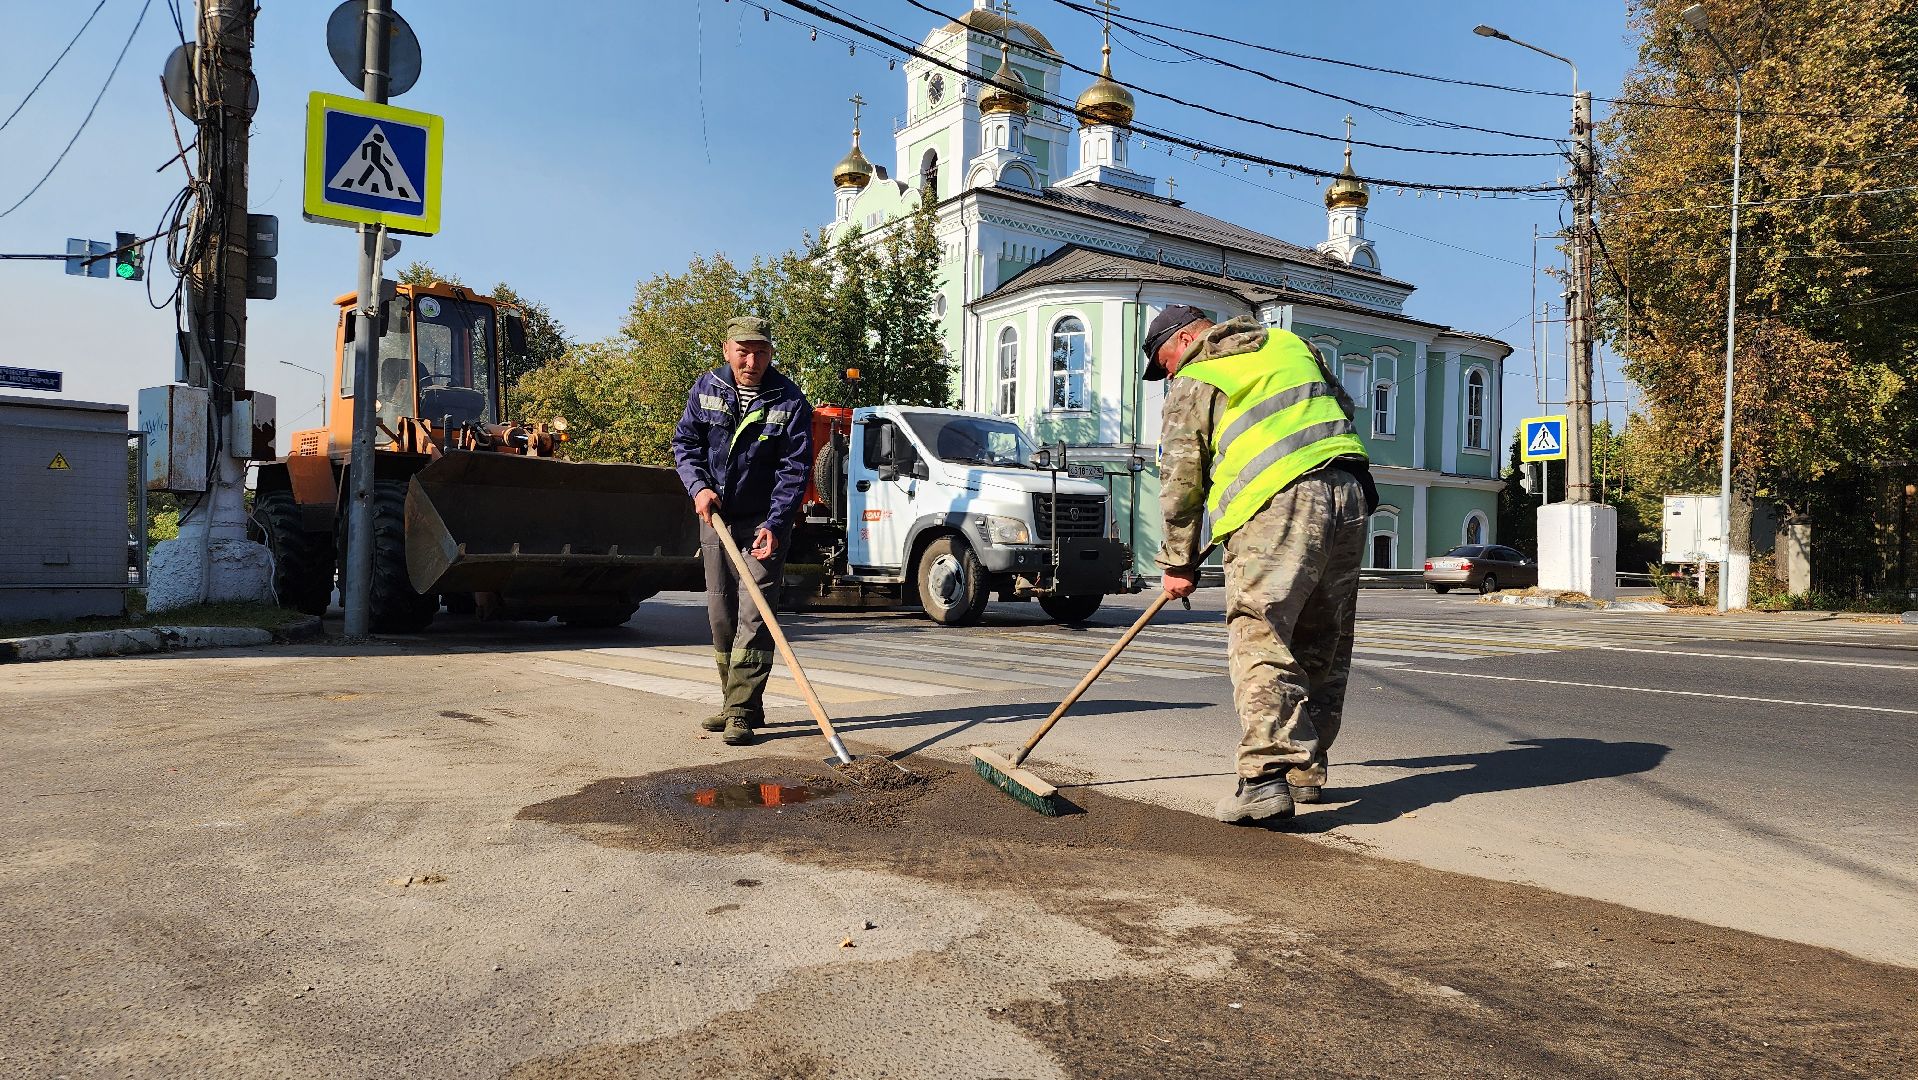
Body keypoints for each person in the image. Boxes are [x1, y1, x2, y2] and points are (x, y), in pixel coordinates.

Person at [1146, 304, 1378, 825]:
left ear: (1183, 340)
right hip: (1350, 493)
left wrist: (1179, 560)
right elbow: (1339, 410)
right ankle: (1306, 769)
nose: (1167, 376)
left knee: (1262, 634)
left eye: (1163, 364)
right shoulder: (1292, 346)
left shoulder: (1198, 375)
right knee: (1323, 636)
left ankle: (1266, 778)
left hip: (1278, 505)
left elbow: (1181, 477)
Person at [671, 316, 814, 746]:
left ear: (771, 353)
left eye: (761, 352)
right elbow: (686, 444)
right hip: (715, 517)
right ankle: (737, 701)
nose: (752, 360)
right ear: (726, 349)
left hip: (764, 522)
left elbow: (795, 468)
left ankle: (741, 710)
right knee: (721, 615)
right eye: (743, 351)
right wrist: (698, 488)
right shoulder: (706, 388)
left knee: (756, 615)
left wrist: (775, 522)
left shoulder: (789, 401)